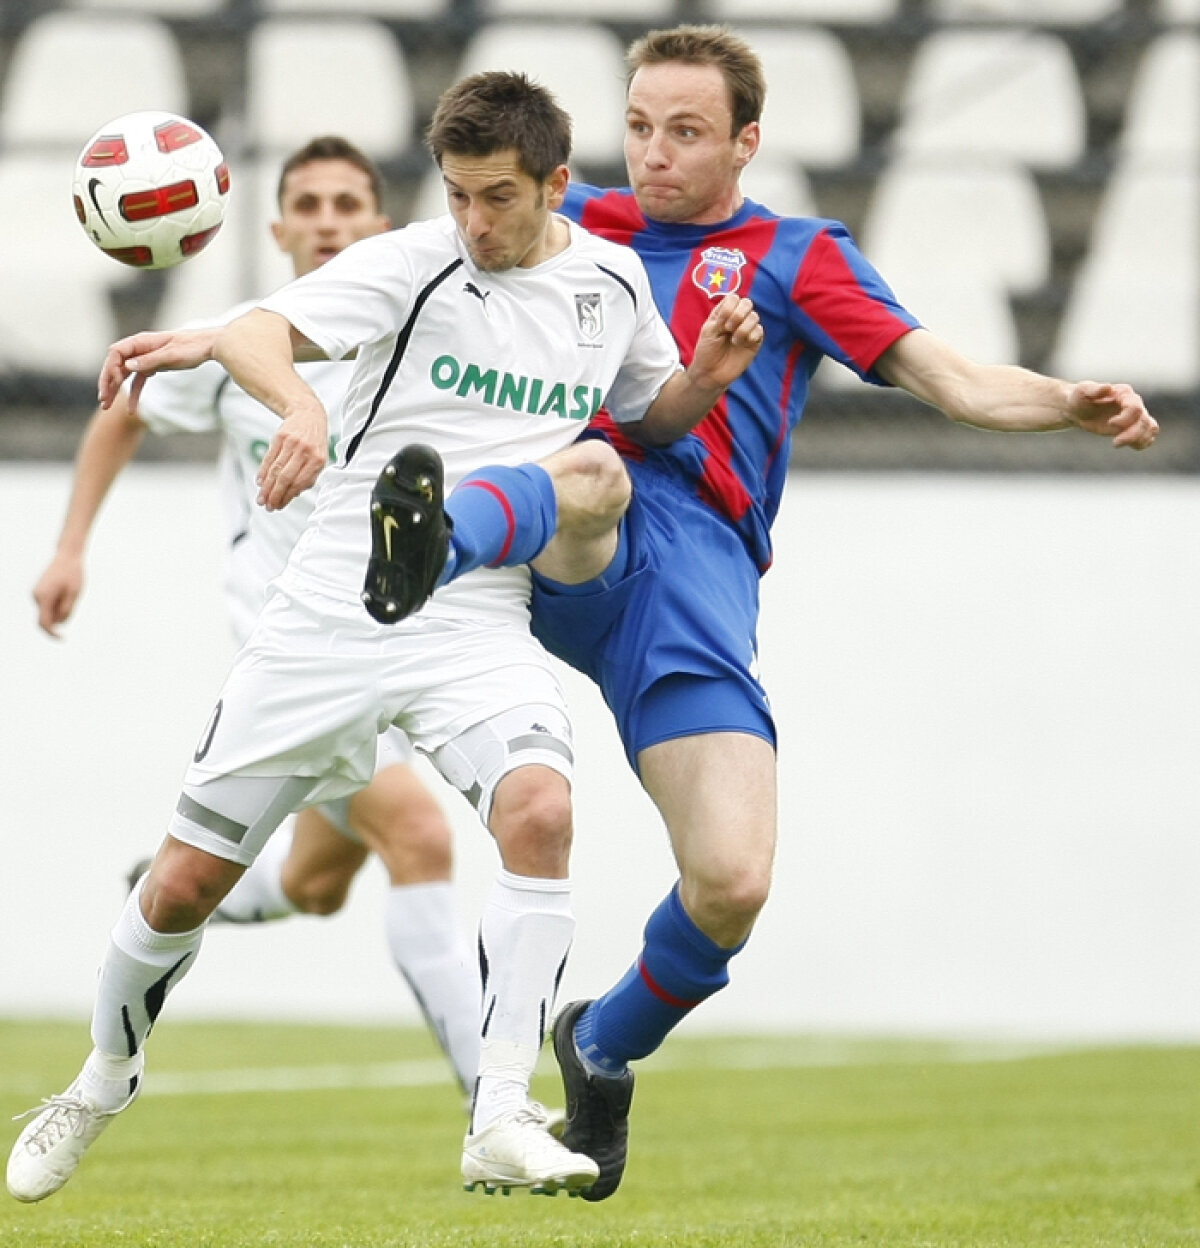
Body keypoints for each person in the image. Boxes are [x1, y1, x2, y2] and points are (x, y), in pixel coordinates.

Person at [374, 23, 1160, 1202]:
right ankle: (435, 546)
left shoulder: (796, 258)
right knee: (595, 477)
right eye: (640, 126)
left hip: (692, 580)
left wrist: (1067, 401)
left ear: (746, 141)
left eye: (686, 132)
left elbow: (951, 378)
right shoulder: (561, 216)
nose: (655, 153)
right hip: (556, 524)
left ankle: (601, 1046)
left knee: (732, 883)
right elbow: (417, 272)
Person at [7, 70, 762, 1204]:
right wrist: (305, 404)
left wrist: (702, 379)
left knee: (541, 809)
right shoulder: (414, 262)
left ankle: (498, 1113)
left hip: (473, 610)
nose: (474, 221)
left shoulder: (610, 284)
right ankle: (103, 1078)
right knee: (179, 888)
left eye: (497, 197)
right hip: (329, 613)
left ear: (557, 183)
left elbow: (648, 415)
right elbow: (256, 331)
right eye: (456, 194)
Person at [31, 135, 482, 1099]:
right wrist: (71, 547)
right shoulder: (242, 341)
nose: (327, 221)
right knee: (420, 837)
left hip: (413, 643)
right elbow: (126, 406)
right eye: (307, 205)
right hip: (305, 653)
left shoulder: (428, 341)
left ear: (381, 225)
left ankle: (185, 889)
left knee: (320, 883)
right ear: (277, 230)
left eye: (346, 204)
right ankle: (499, 1099)